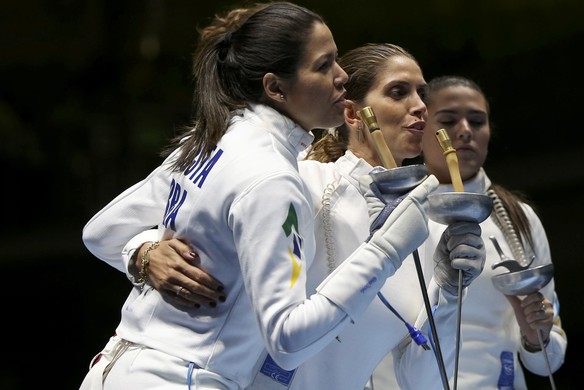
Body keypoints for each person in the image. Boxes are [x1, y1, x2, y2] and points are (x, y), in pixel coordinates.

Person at [81, 42, 486, 389]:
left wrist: (449, 293)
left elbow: (422, 380)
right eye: (399, 92)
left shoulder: (427, 232)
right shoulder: (292, 178)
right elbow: (178, 217)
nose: (420, 107)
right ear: (351, 114)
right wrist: (143, 250)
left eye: (422, 94)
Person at [373, 75, 568, 389]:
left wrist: (537, 337)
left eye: (477, 121)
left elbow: (549, 358)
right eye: (448, 121)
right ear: (421, 128)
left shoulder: (519, 218)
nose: (464, 131)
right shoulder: (388, 211)